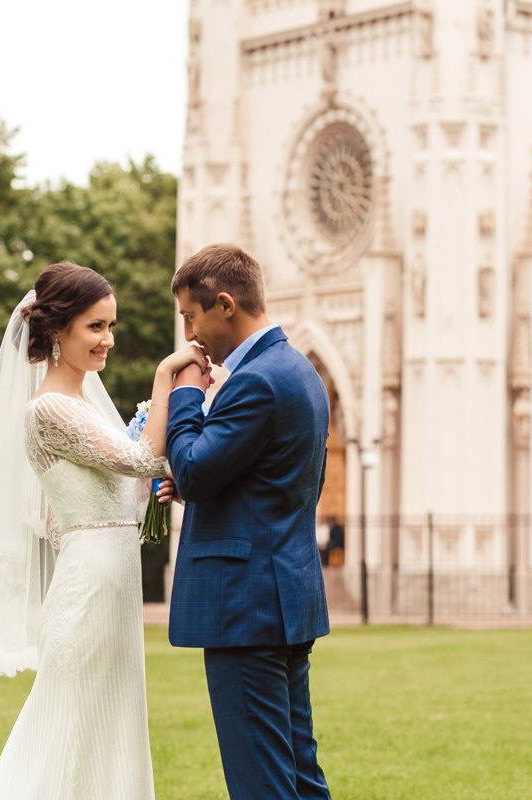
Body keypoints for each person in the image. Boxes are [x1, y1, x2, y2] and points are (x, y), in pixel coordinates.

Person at [0, 262, 203, 799]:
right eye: (96, 327)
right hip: (89, 590)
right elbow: (143, 459)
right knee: (65, 725)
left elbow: (110, 498)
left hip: (111, 583)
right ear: (56, 330)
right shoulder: (48, 410)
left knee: (106, 723)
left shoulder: (88, 408)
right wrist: (166, 379)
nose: (108, 340)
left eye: (110, 326)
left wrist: (153, 493)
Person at [161, 244, 332, 800]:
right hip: (284, 596)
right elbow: (267, 485)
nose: (190, 333)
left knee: (260, 783)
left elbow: (190, 466)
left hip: (246, 606)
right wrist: (197, 483)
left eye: (191, 315)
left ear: (226, 305)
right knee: (299, 777)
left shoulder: (256, 381)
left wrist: (187, 389)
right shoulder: (298, 370)